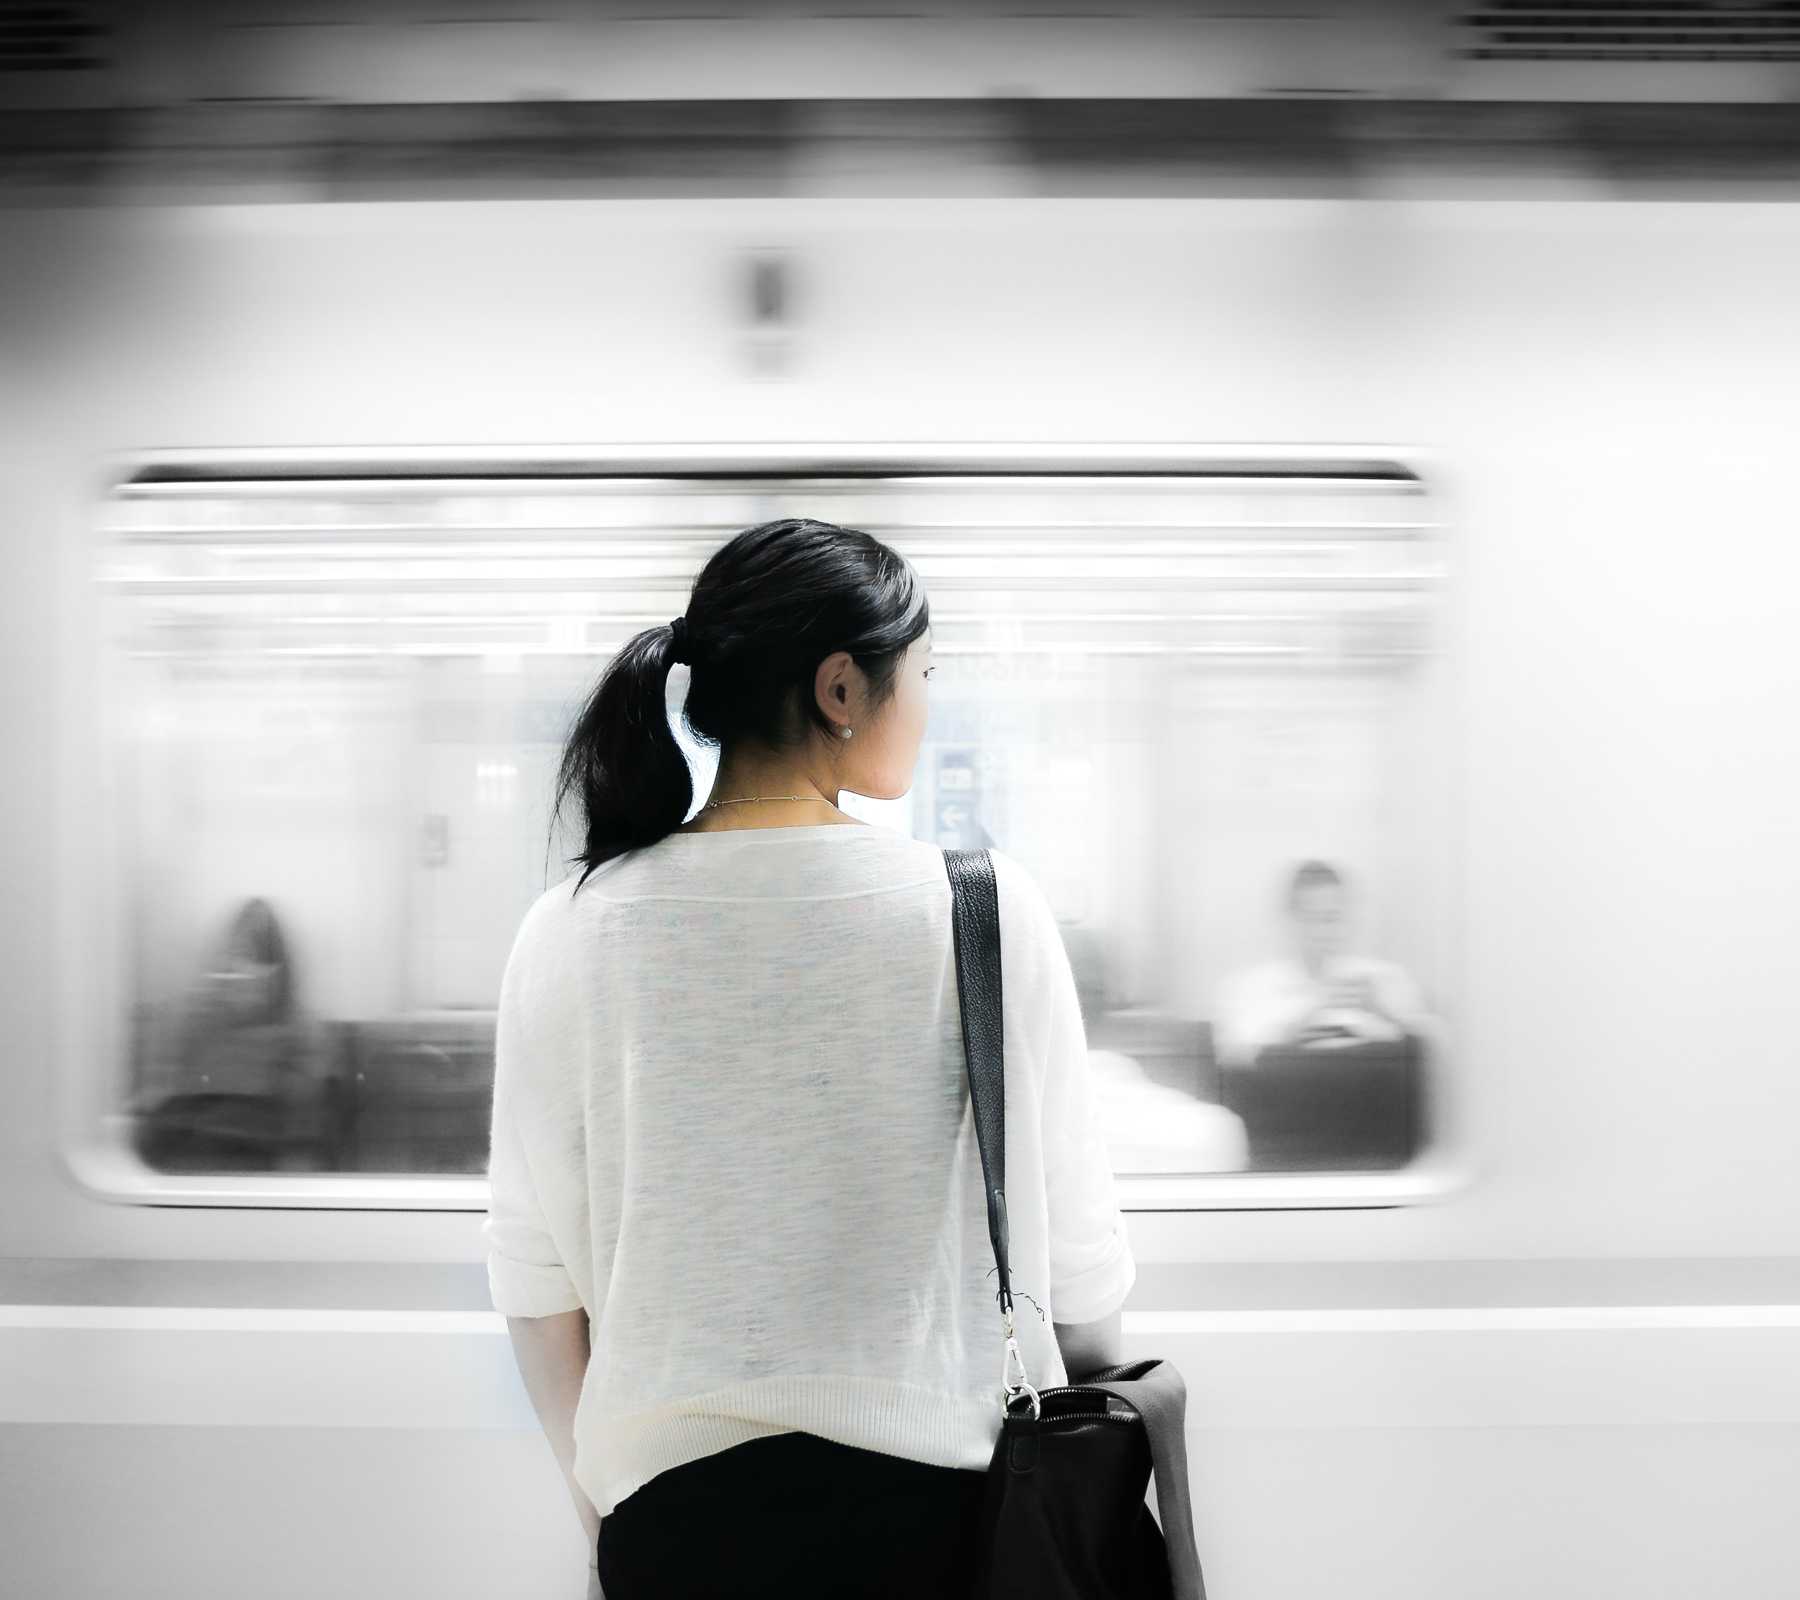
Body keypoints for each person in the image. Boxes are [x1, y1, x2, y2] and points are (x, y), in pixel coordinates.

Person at [482, 517, 1137, 1598]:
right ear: (842, 689)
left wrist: (605, 1521)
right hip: (952, 1528)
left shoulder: (566, 926)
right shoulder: (986, 909)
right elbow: (1079, 1267)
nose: (927, 704)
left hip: (676, 1534)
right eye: (922, 672)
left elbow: (535, 1280)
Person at [1211, 860, 1430, 1071]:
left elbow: (1436, 1050)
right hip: (1281, 1100)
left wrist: (1382, 1011)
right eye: (1312, 918)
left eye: (1333, 918)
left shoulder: (1382, 979)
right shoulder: (1251, 987)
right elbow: (1232, 1059)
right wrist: (1311, 1010)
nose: (1325, 931)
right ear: (1291, 919)